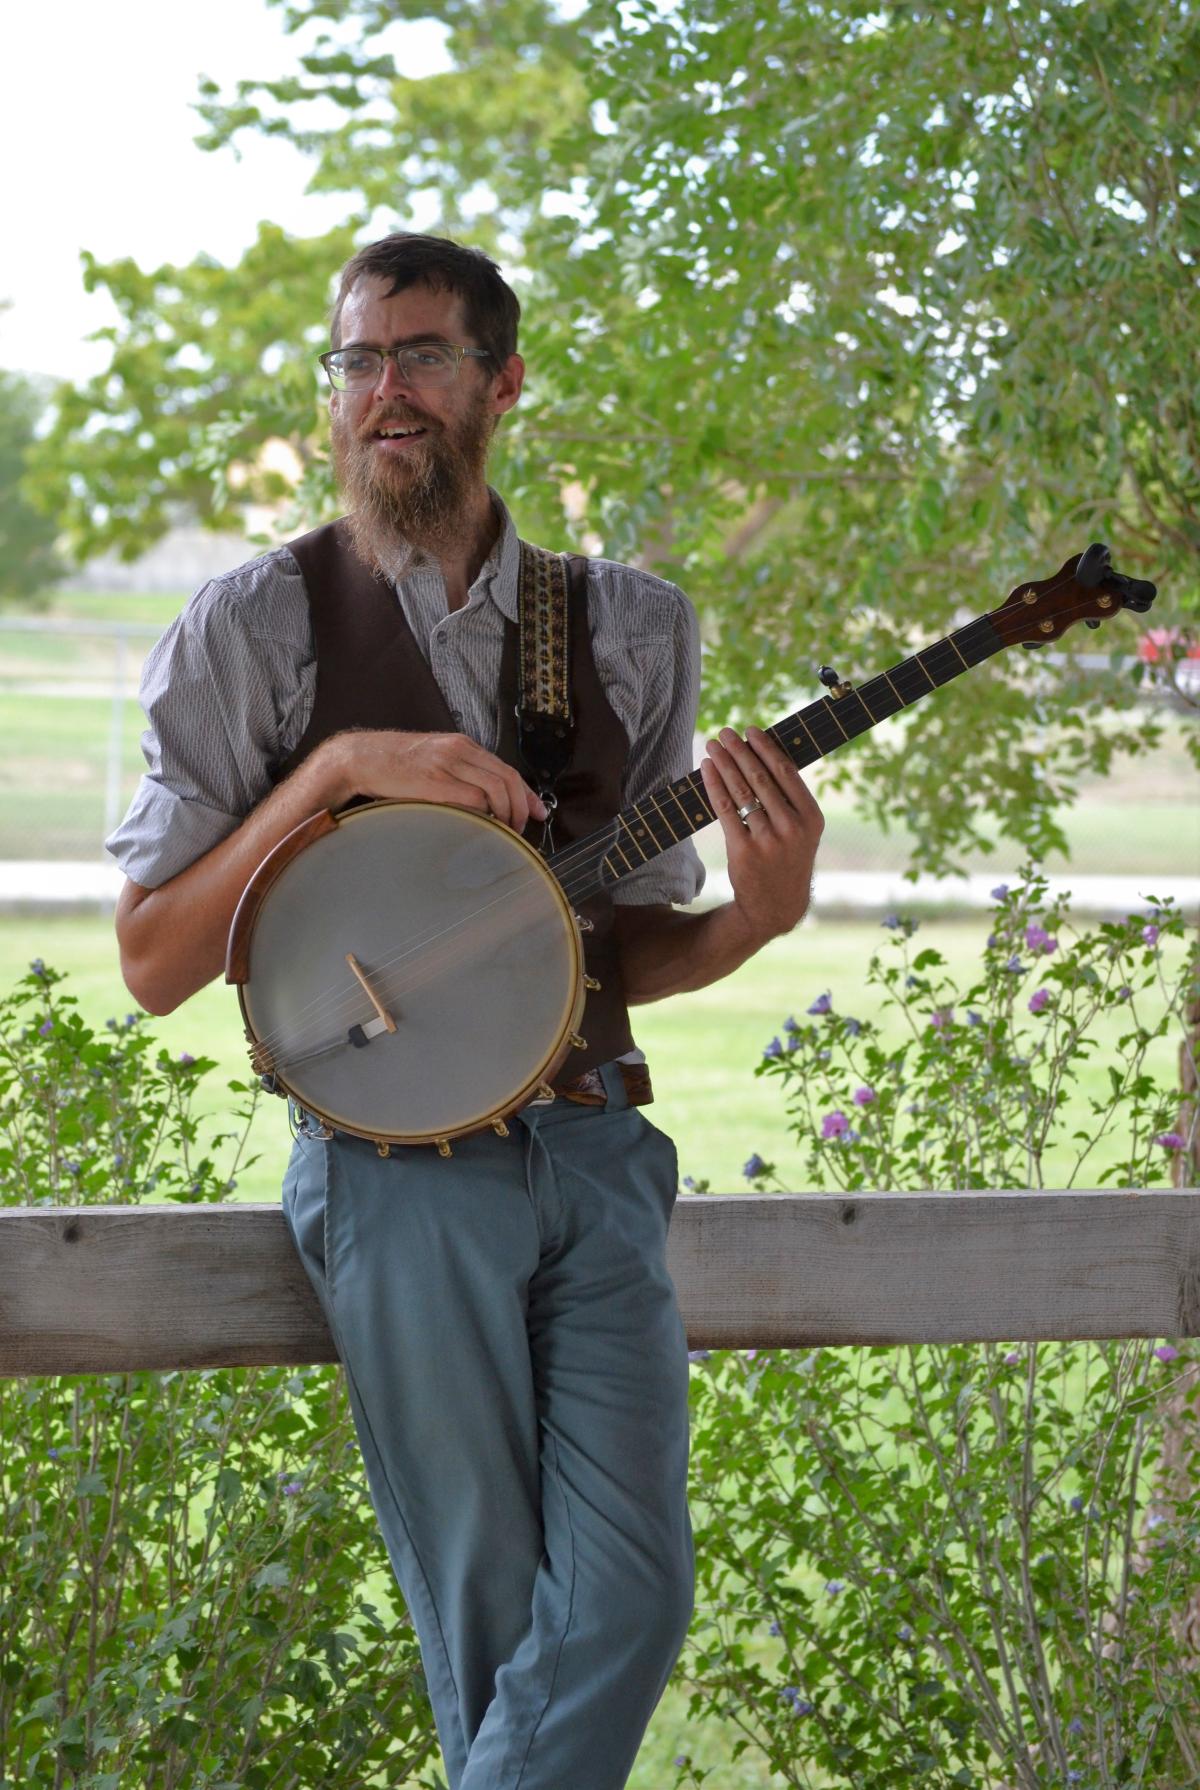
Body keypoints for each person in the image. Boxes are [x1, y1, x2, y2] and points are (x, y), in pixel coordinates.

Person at [108, 231, 824, 1790]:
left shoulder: (626, 624)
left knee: (634, 1595)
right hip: (396, 1182)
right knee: (496, 1614)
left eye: (421, 358)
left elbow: (623, 949)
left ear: (502, 382)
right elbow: (157, 958)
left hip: (600, 1155)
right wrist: (334, 773)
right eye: (356, 362)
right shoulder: (250, 630)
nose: (385, 394)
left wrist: (757, 922)